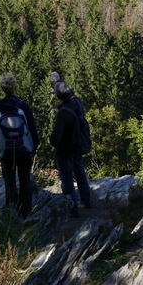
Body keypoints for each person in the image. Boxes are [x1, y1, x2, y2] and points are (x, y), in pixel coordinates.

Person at [0, 74, 38, 219]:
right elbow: (32, 129)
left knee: (9, 181)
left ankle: (12, 214)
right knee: (25, 180)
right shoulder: (23, 106)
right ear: (15, 87)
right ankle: (26, 213)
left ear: (2, 89)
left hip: (5, 150)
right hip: (24, 149)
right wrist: (34, 148)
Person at [49, 72, 93, 216]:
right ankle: (86, 201)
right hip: (77, 146)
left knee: (67, 179)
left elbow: (55, 140)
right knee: (80, 172)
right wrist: (59, 80)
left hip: (65, 151)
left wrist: (50, 139)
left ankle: (72, 209)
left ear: (57, 97)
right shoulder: (76, 102)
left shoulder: (62, 113)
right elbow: (69, 91)